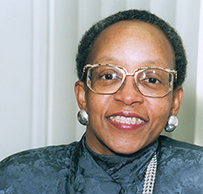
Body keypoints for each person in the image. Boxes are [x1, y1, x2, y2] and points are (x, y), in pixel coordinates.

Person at [0, 9, 202, 194]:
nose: (128, 96)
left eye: (151, 79)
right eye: (108, 76)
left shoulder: (197, 177)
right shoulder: (18, 179)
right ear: (82, 96)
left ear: (175, 102)